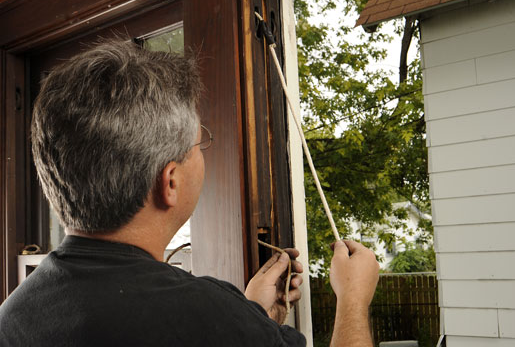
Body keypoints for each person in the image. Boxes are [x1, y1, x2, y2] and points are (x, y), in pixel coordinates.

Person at [0, 40, 379, 346]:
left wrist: (252, 318)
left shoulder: (13, 314)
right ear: (170, 182)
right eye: (200, 143)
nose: (202, 154)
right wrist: (352, 300)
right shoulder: (207, 317)